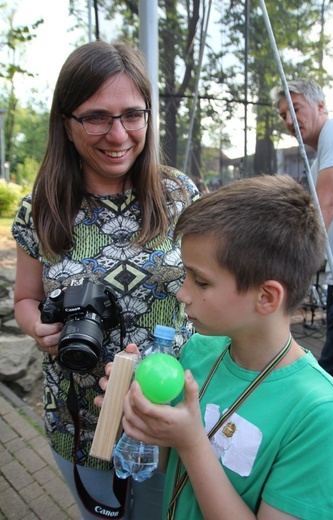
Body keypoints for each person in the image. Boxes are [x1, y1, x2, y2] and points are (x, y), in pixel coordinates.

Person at [11, 40, 199, 519]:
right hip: (79, 418)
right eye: (96, 117)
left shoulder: (180, 195)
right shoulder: (42, 209)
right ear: (66, 124)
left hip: (171, 415)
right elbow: (26, 298)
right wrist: (38, 328)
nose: (118, 135)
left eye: (132, 115)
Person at [97, 174, 333, 519]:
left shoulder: (323, 415)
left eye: (201, 281)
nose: (182, 293)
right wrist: (144, 408)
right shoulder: (199, 352)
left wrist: (192, 441)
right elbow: (169, 466)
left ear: (266, 297)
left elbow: (191, 447)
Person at [271, 78, 333, 388]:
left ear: (320, 106)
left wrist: (296, 268)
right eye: (282, 115)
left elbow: (326, 204)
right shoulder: (320, 159)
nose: (289, 121)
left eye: (295, 109)